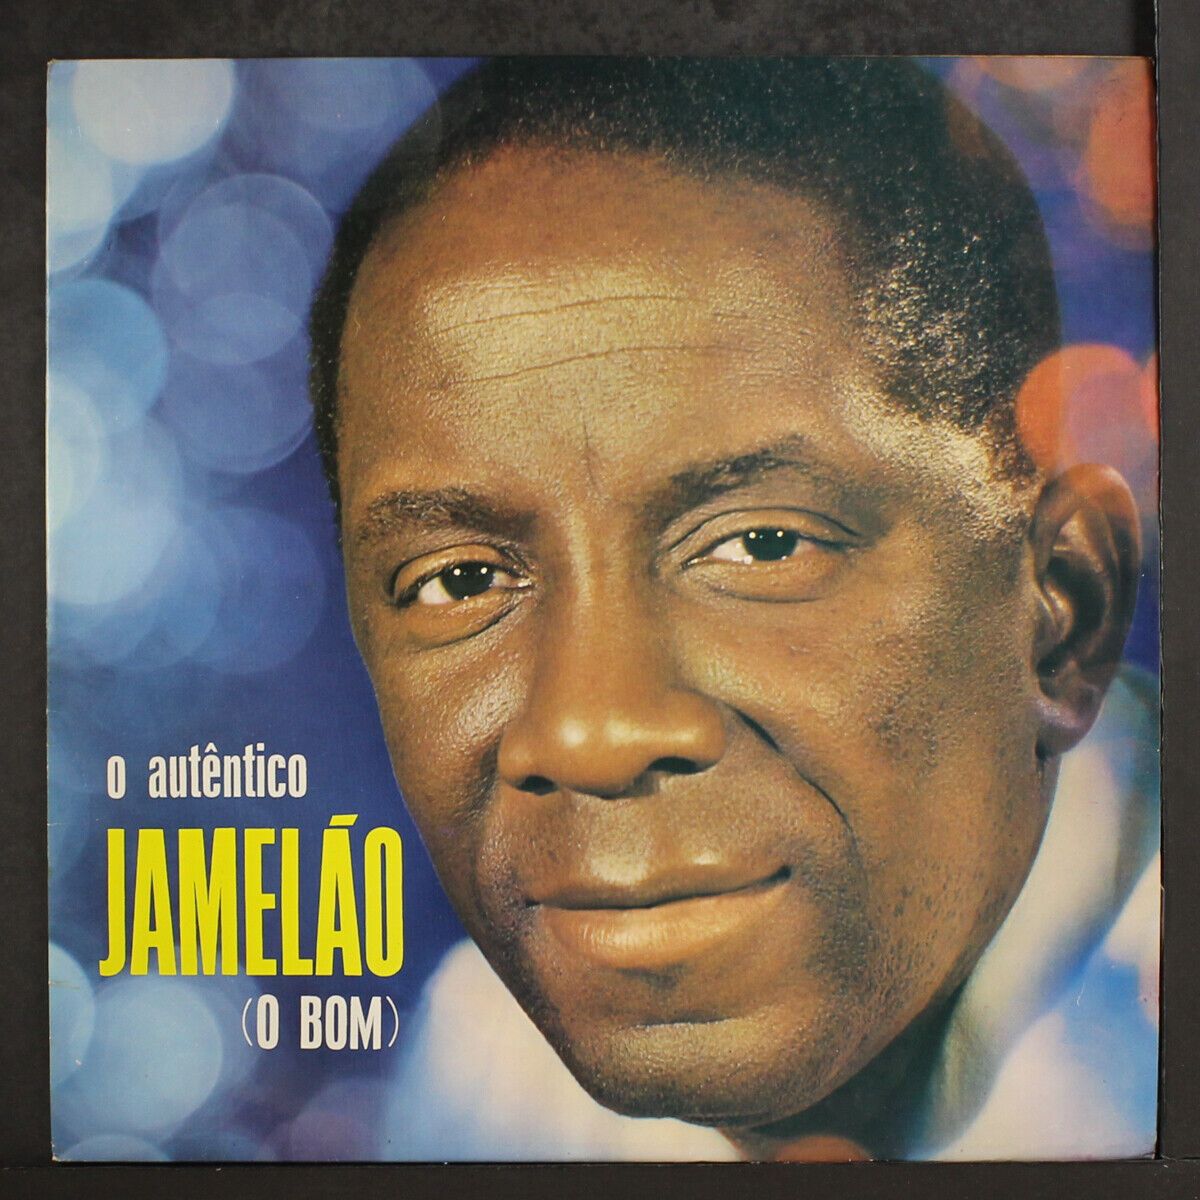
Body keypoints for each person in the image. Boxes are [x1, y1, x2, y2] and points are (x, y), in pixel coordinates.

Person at [307, 58, 1157, 1160]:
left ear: (1064, 612)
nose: (591, 733)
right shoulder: (489, 1071)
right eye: (460, 581)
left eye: (762, 544)